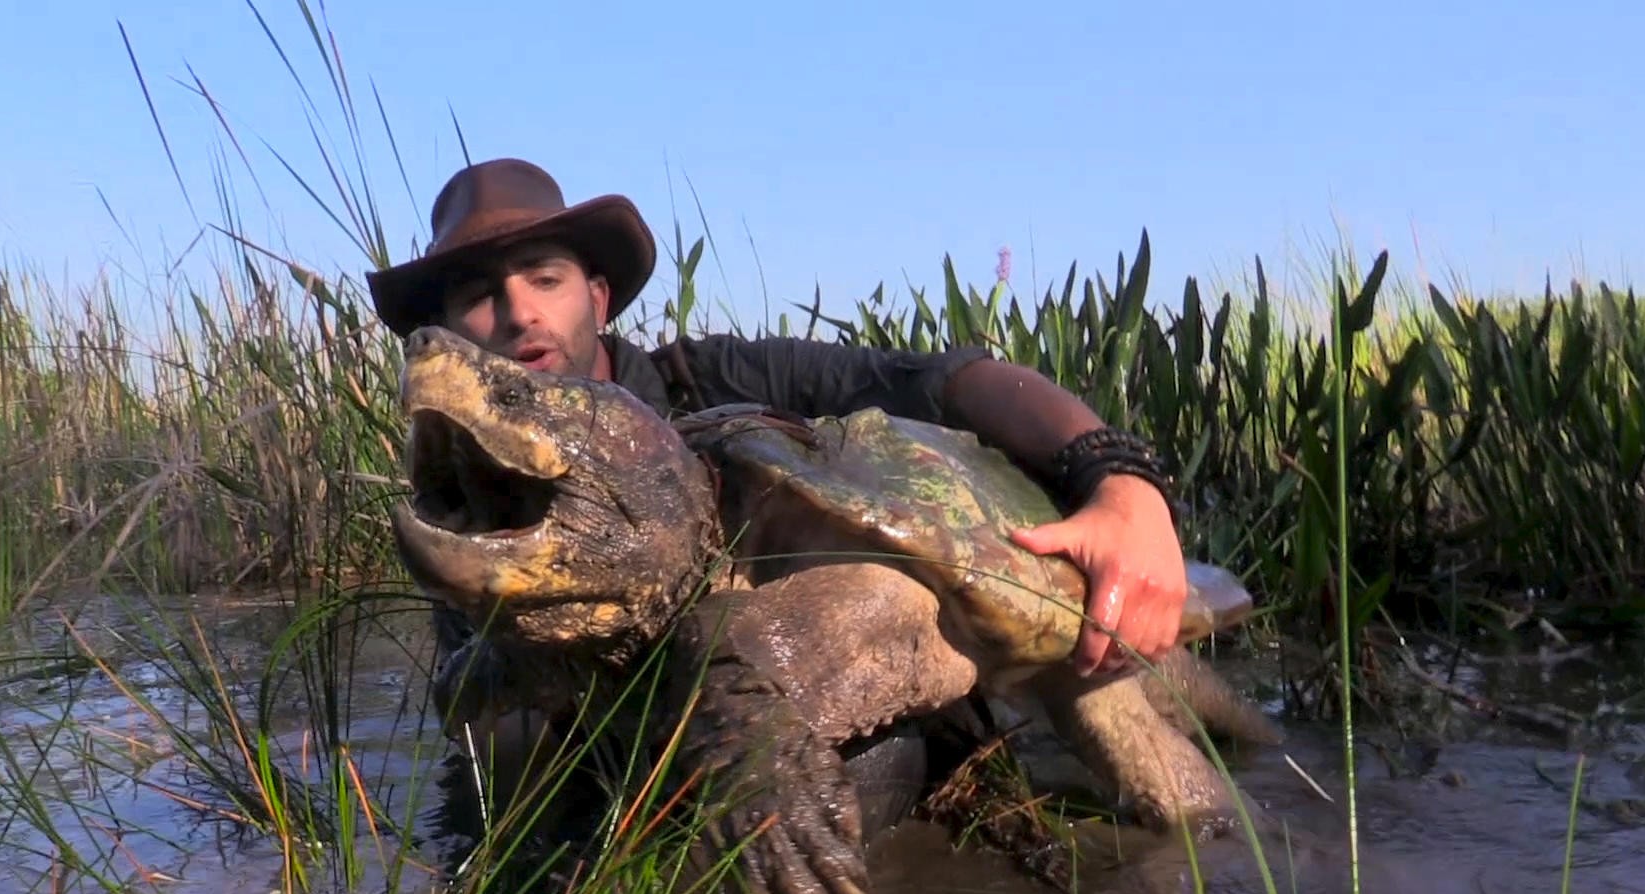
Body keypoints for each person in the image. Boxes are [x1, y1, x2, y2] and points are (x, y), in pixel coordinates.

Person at [366, 157, 1187, 677]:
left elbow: (946, 381)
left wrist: (1120, 482)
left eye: (543, 277)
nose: (516, 314)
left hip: (874, 656)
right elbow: (490, 733)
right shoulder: (473, 503)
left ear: (598, 296)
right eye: (478, 296)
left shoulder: (720, 380)